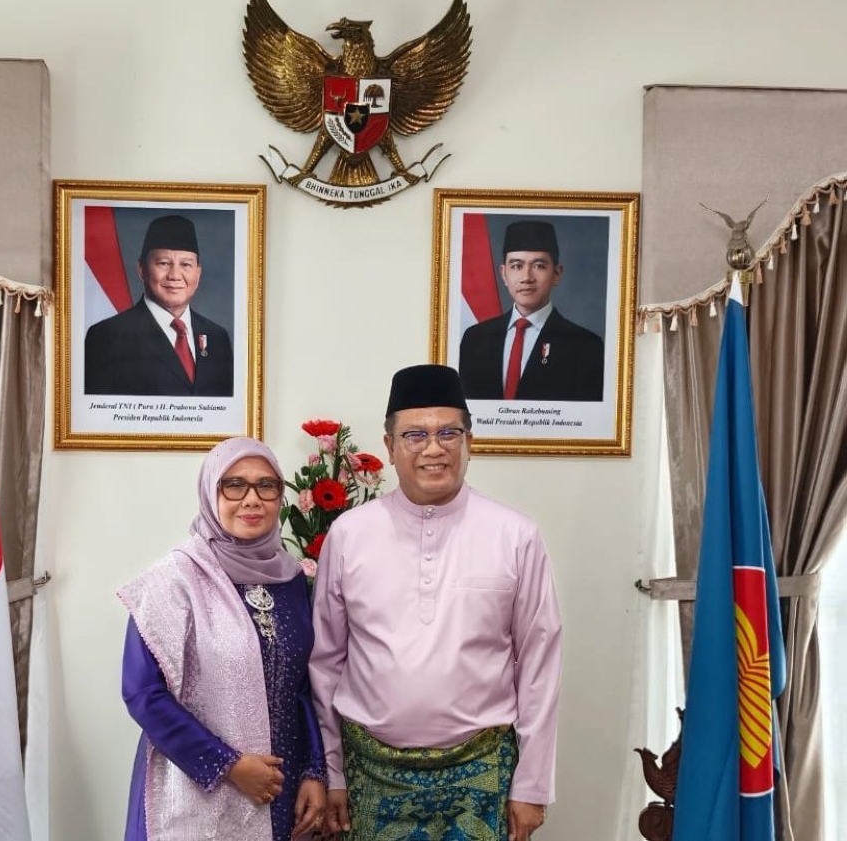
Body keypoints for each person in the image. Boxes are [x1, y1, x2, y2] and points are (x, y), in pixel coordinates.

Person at [310, 364, 562, 841]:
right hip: (370, 772)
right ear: (390, 446)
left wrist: (532, 784)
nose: (433, 448)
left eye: (449, 432)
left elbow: (539, 665)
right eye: (415, 435)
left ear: (470, 442)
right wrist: (332, 772)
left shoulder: (515, 535)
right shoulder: (349, 534)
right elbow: (325, 663)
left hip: (481, 771)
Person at [118, 437, 327, 840]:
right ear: (210, 493)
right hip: (195, 784)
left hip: (281, 790)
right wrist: (228, 765)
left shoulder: (291, 580)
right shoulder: (173, 582)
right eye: (234, 485)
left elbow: (303, 686)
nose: (252, 500)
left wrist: (315, 771)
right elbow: (143, 693)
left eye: (266, 486)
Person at [85, 214, 234, 396]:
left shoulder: (217, 337)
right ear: (142, 269)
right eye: (164, 263)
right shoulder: (107, 336)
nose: (175, 275)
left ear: (198, 274)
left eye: (186, 264)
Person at [459, 220, 604, 402]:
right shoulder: (474, 339)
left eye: (538, 266)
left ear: (556, 274)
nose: (526, 277)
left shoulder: (585, 346)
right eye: (517, 266)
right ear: (504, 274)